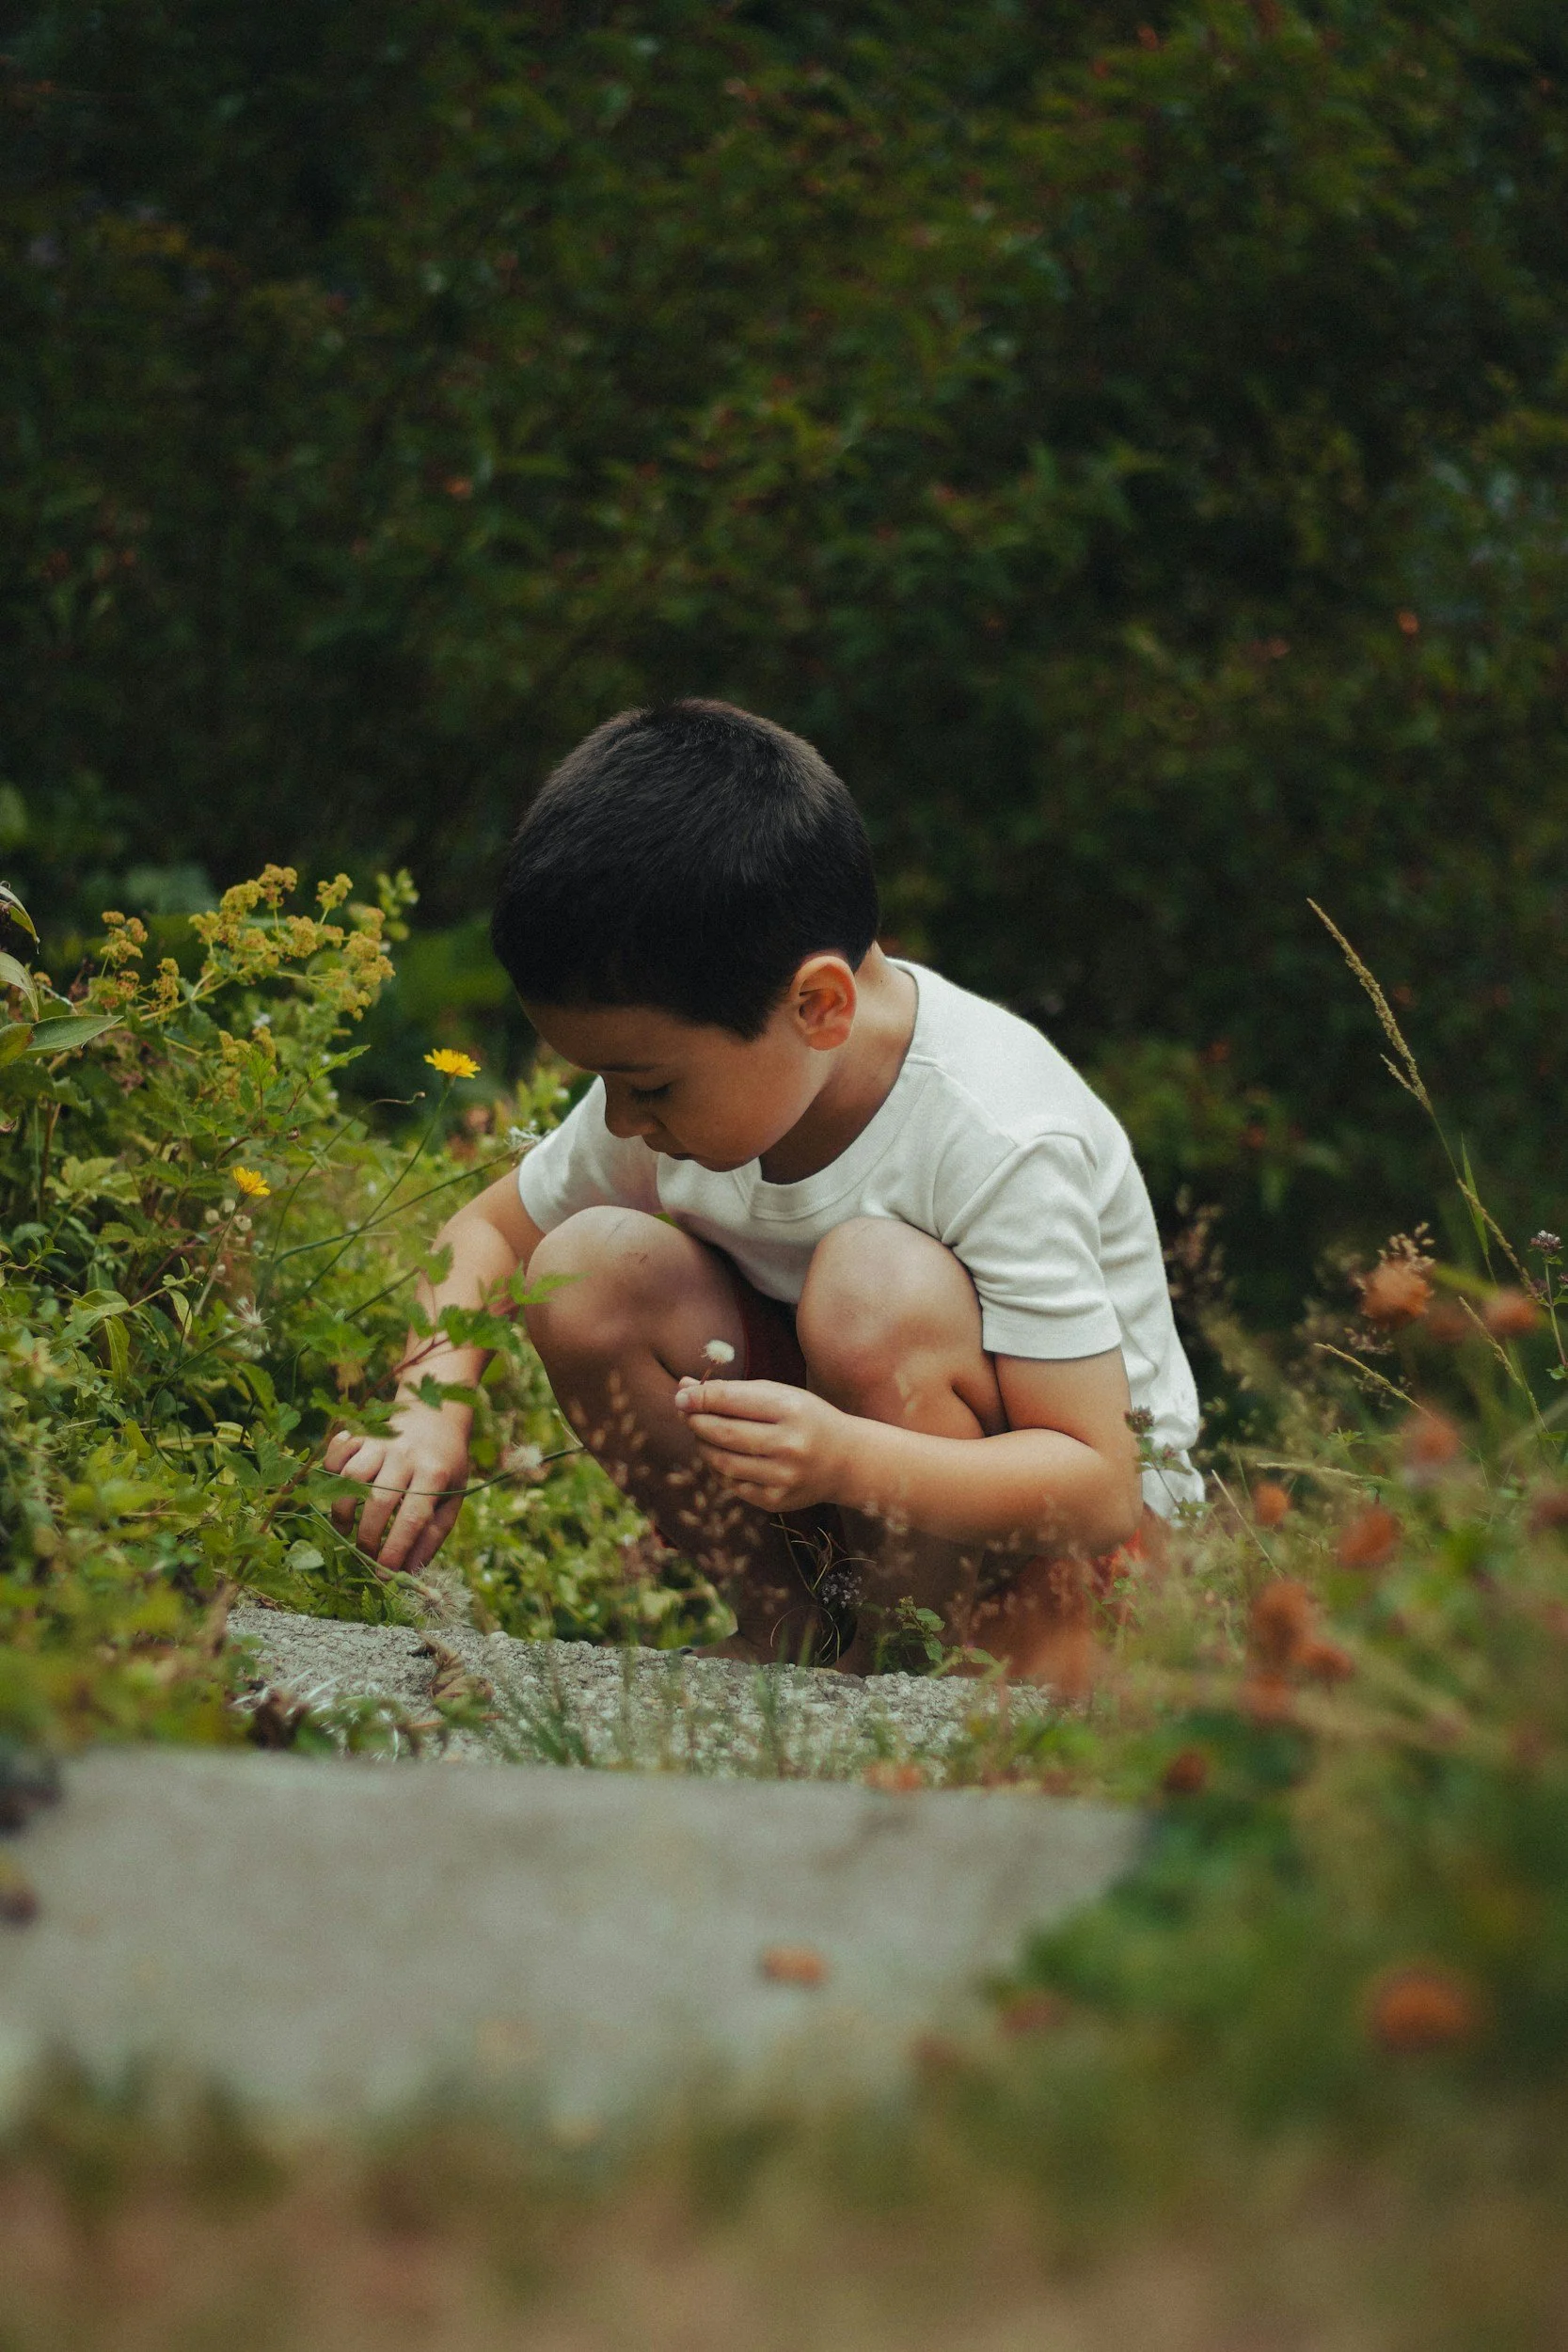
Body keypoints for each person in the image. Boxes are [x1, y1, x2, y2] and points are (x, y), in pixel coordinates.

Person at [327, 699, 1203, 1678]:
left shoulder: (993, 1132)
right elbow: (485, 1237)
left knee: (873, 1282)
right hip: (852, 1496)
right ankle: (799, 1629)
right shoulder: (700, 1091)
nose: (619, 1120)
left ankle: (906, 1671)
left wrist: (845, 1461)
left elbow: (1095, 1489)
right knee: (581, 1268)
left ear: (817, 1006)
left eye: (648, 1083)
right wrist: (426, 1405)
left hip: (1071, 1564)